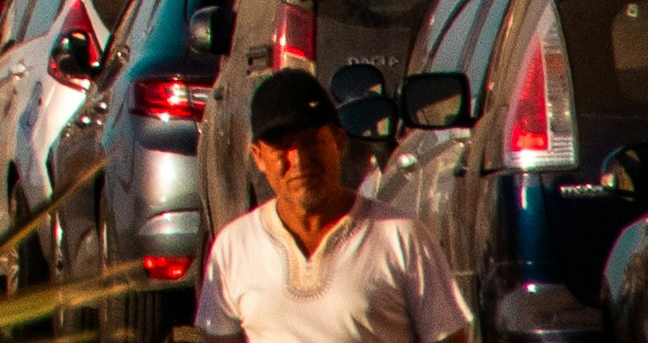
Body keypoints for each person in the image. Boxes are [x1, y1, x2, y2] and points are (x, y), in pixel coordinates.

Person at [198, 65, 472, 343]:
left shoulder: (400, 237)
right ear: (258, 156)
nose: (300, 161)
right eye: (282, 147)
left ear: (338, 141)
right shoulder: (234, 247)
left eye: (311, 142)